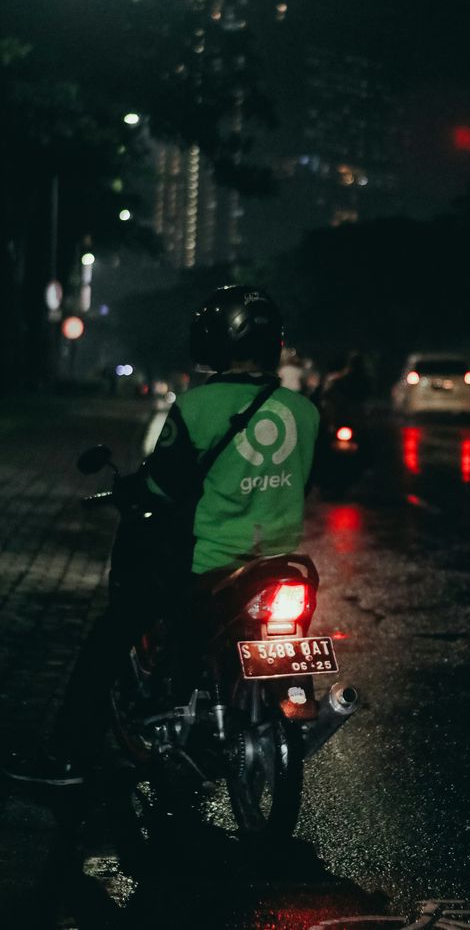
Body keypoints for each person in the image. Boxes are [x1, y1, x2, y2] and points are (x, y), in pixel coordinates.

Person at [5, 285, 320, 786]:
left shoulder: (197, 407)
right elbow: (304, 480)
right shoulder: (304, 412)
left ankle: (66, 755)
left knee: (112, 633)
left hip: (208, 563)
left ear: (216, 340)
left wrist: (133, 491)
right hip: (279, 560)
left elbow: (162, 484)